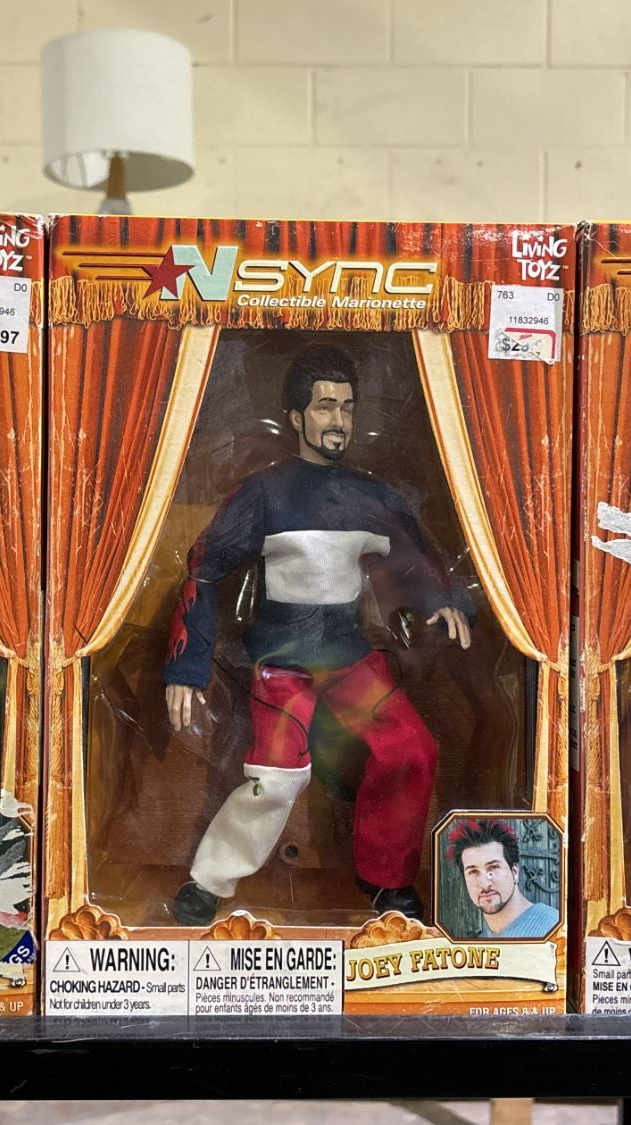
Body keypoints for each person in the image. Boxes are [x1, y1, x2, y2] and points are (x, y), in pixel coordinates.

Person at [162, 345, 474, 925]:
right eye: (325, 406)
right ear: (296, 416)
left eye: (347, 408)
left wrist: (445, 600)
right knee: (278, 778)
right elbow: (203, 570)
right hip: (282, 661)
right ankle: (210, 879)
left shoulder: (372, 497)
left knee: (412, 748)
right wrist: (187, 666)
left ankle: (386, 877)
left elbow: (413, 556)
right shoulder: (264, 494)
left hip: (350, 658)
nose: (338, 420)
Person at [448, 819, 557, 939]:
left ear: (514, 872)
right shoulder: (477, 944)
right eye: (473, 871)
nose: (484, 884)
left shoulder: (554, 927)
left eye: (493, 867)